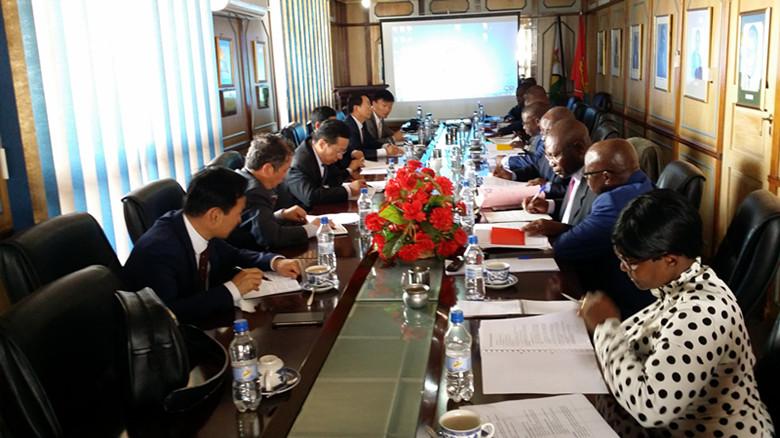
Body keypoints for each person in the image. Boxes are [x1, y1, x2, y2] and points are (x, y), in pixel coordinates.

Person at [580, 189, 774, 436]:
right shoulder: (682, 286)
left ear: (670, 260)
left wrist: (606, 328)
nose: (623, 267)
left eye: (631, 261)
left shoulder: (702, 314)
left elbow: (651, 407)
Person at [123, 167, 302, 325]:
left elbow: (234, 255)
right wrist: (233, 289)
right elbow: (170, 314)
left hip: (208, 320)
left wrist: (275, 262)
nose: (239, 220)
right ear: (215, 215)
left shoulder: (197, 225)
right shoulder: (159, 250)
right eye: (238, 213)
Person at [527, 138, 655, 316]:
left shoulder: (612, 202)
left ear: (606, 177)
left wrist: (564, 232)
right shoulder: (643, 183)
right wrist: (561, 228)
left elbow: (566, 247)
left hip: (622, 303)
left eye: (587, 175)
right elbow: (598, 233)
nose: (586, 181)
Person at [232, 133, 321, 250]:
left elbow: (256, 224)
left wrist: (281, 215)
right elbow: (271, 237)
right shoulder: (253, 192)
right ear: (268, 169)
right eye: (284, 171)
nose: (284, 178)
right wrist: (313, 228)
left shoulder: (243, 177)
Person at [522, 119, 596, 234]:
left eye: (555, 156)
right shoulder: (575, 171)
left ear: (579, 148)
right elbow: (573, 209)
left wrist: (559, 229)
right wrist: (548, 205)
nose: (551, 163)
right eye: (549, 157)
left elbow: (594, 234)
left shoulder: (596, 184)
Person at [284, 119, 365, 209]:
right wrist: (349, 190)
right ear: (322, 144)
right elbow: (311, 197)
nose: (340, 157)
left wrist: (350, 174)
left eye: (343, 152)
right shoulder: (299, 163)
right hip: (301, 214)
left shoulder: (320, 153)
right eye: (339, 151)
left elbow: (334, 177)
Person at [494, 105, 571, 200]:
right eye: (542, 132)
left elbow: (572, 191)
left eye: (547, 132)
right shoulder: (549, 147)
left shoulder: (575, 155)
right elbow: (536, 167)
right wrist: (512, 175)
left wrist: (546, 186)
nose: (542, 137)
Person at [344, 94, 401, 162]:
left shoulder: (362, 123)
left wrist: (386, 146)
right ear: (356, 108)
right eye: (368, 105)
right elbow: (358, 151)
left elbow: (371, 142)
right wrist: (385, 151)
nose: (371, 108)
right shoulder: (348, 126)